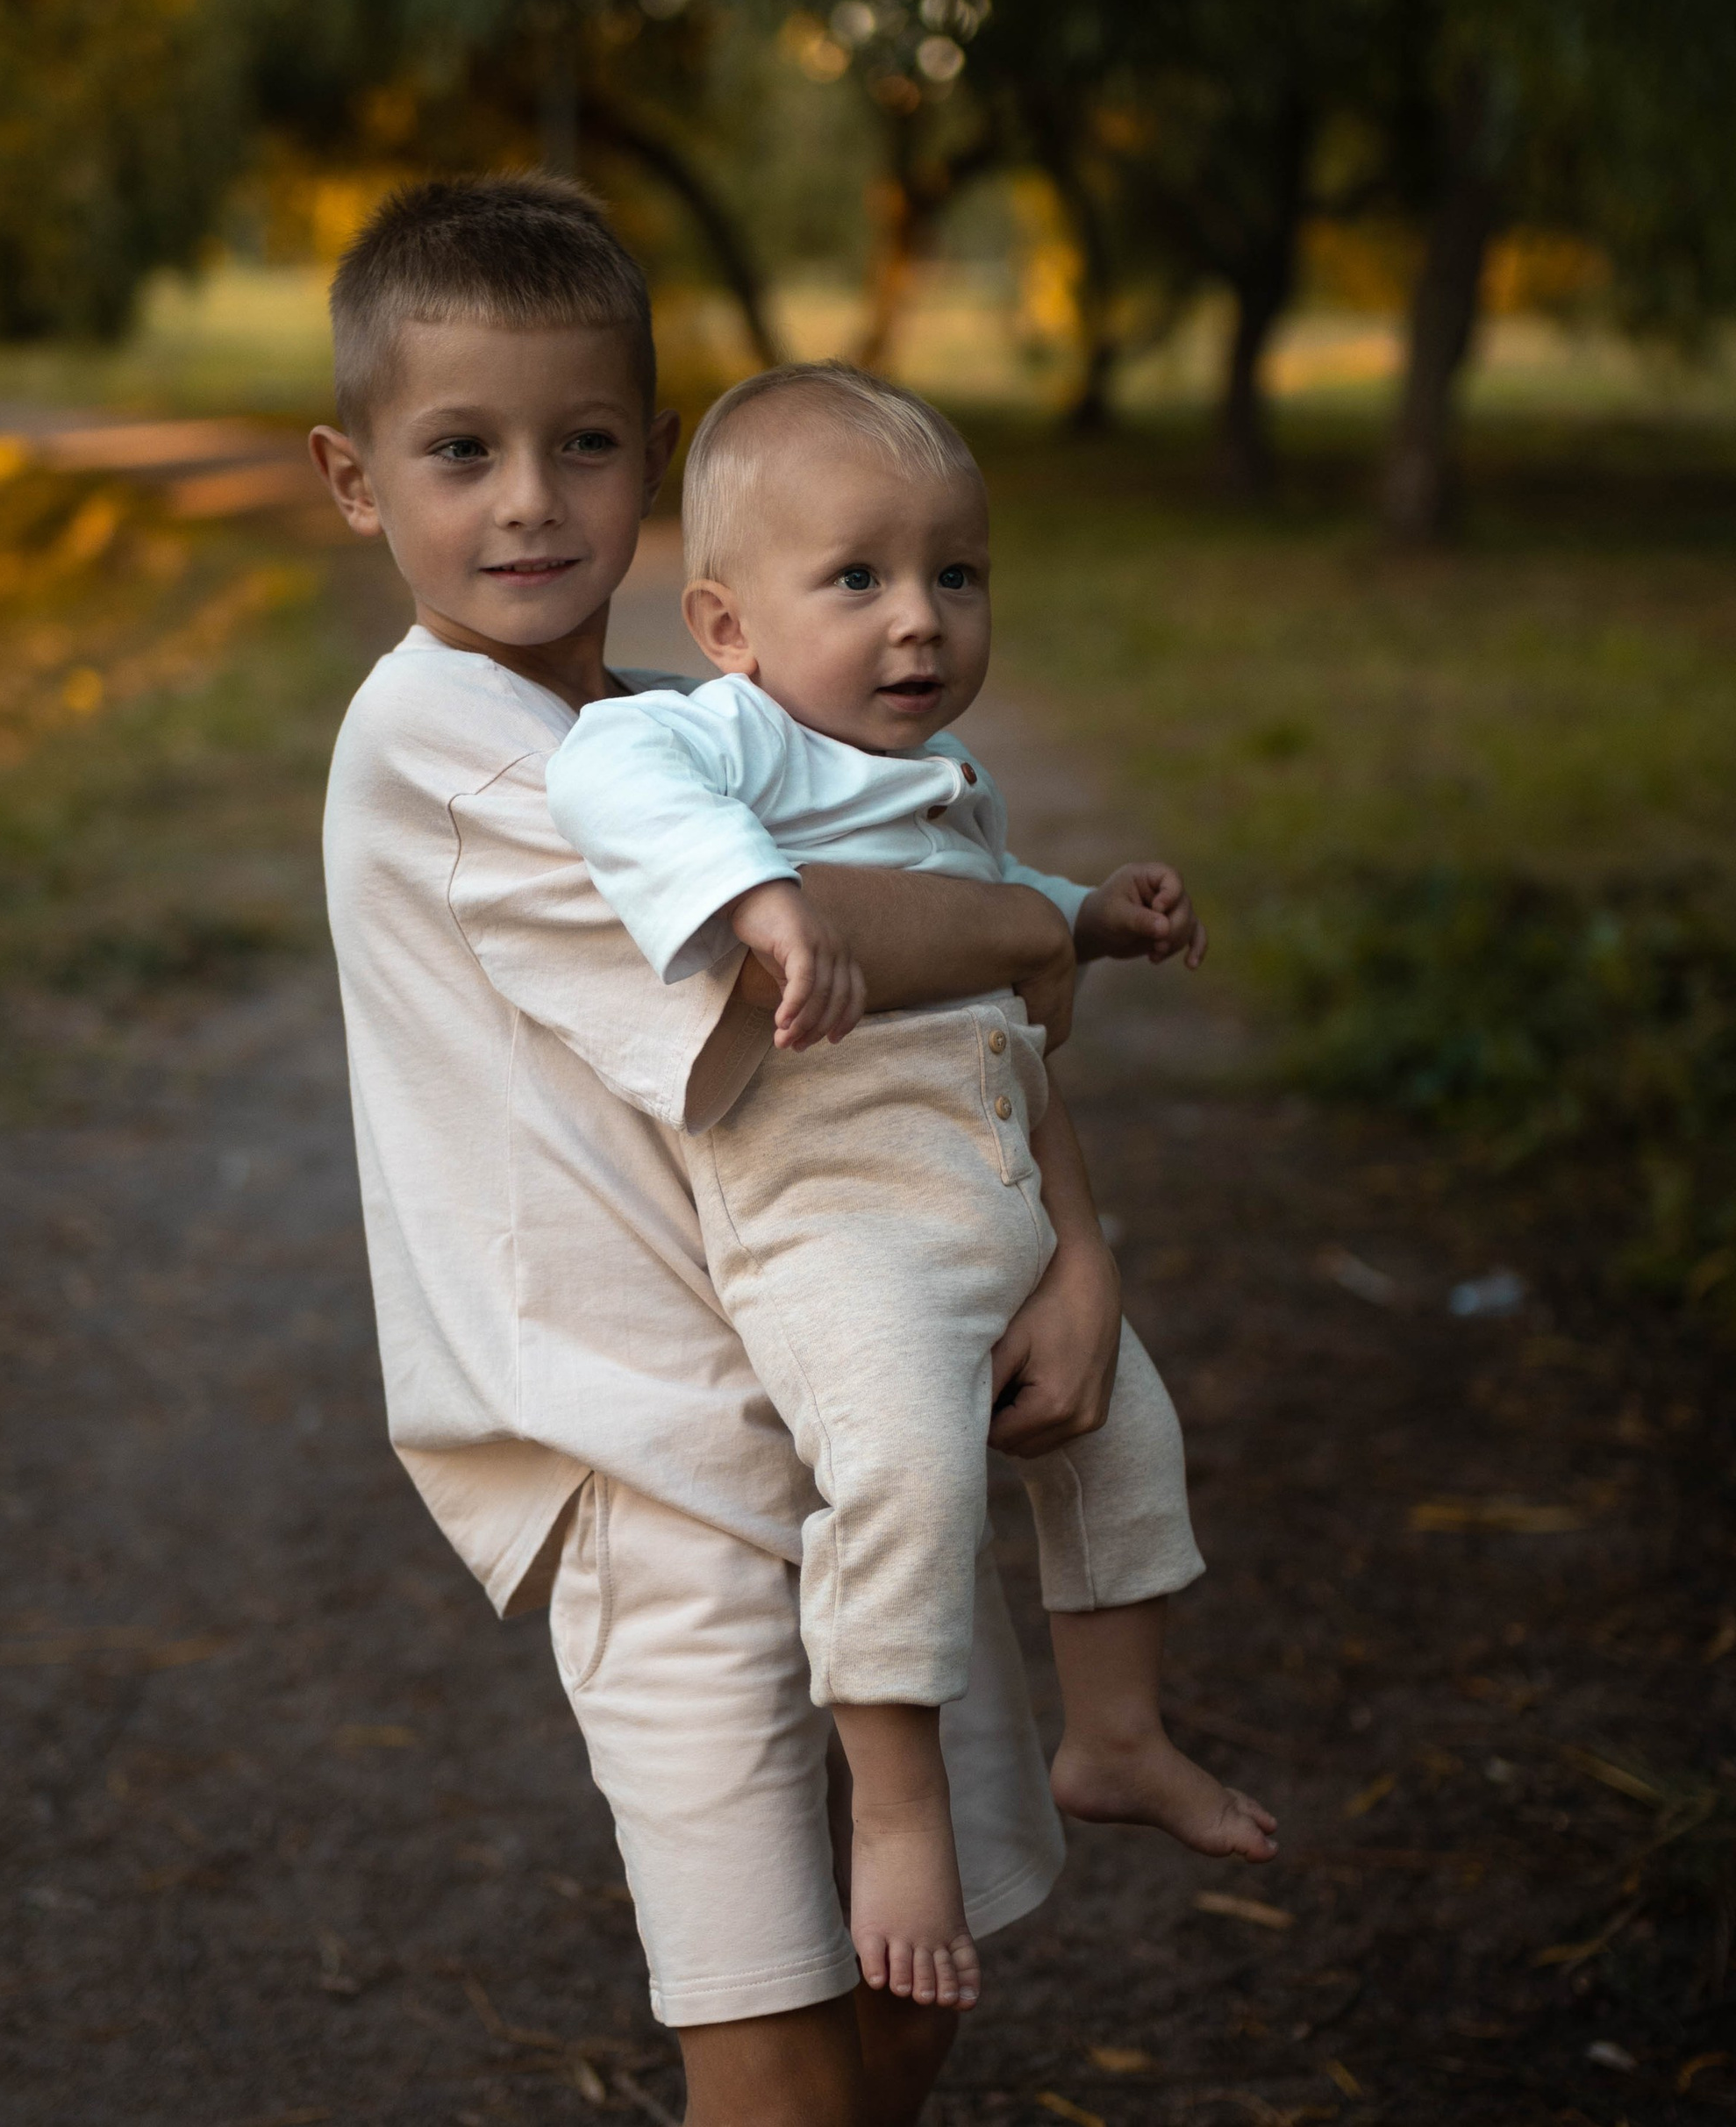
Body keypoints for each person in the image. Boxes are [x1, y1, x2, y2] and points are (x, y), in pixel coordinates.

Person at [309, 175, 1154, 2127]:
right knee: (773, 2053)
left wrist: (1076, 1246)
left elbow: (925, 1007)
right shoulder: (448, 752)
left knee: (913, 2003)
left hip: (847, 1416)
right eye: (461, 452)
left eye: (582, 443)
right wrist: (1045, 919)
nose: (528, 501)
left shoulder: (690, 724)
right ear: (356, 482)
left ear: (656, 467)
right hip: (649, 1459)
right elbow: (880, 934)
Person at [545, 360, 1275, 2015]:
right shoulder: (720, 736)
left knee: (1126, 1434)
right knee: (909, 1476)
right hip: (841, 1220)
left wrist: (1086, 912)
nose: (920, 621)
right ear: (725, 623)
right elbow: (609, 779)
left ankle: (1116, 1734)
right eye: (858, 578)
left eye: (956, 573)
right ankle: (896, 1812)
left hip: (990, 1188)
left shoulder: (947, 777)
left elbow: (983, 896)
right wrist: (760, 900)